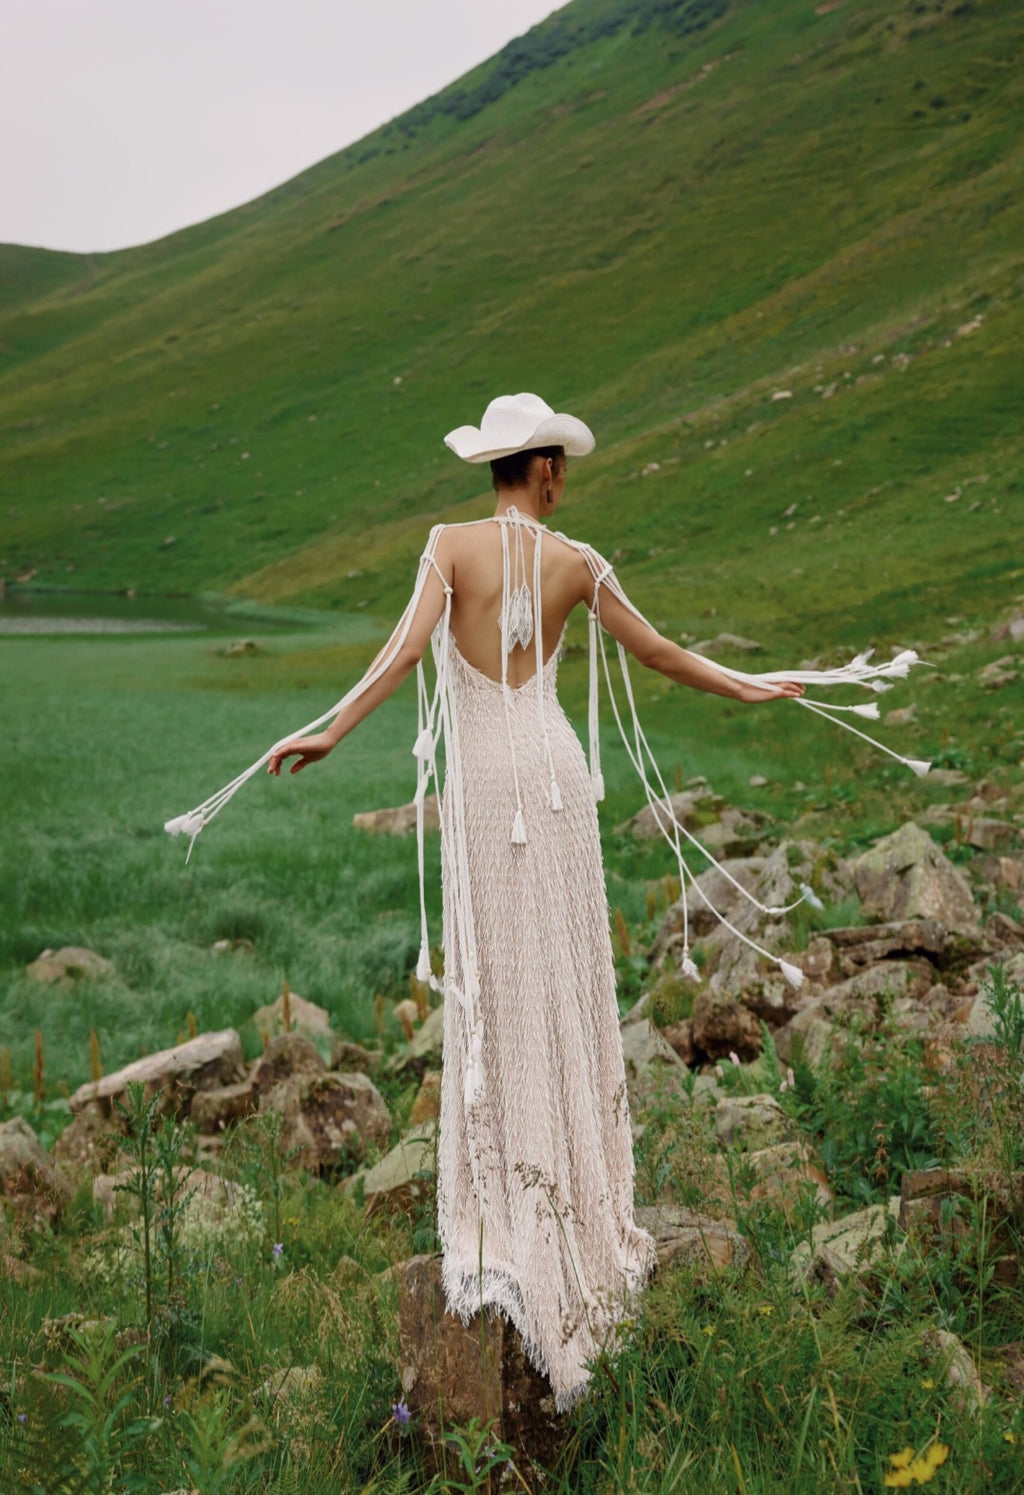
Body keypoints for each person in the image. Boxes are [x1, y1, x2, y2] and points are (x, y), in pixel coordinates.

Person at [166, 393, 925, 1408]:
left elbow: (396, 658)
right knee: (564, 974)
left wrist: (329, 734)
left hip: (486, 792)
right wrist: (750, 686)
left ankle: (510, 1197)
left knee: (501, 979)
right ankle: (572, 1196)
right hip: (556, 782)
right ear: (549, 470)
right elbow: (659, 653)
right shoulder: (577, 562)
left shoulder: (447, 546)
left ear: (493, 467)